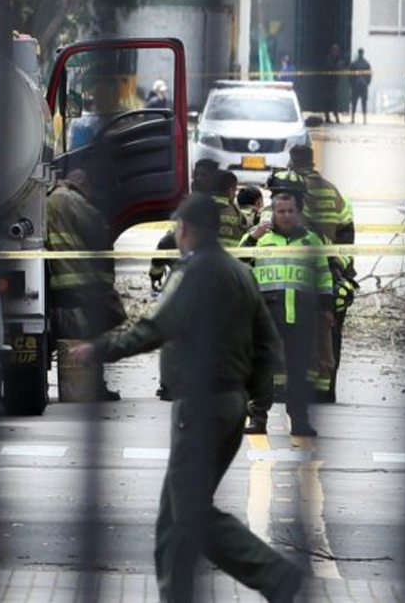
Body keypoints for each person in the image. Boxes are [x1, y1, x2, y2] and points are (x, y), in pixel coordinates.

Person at [70, 193, 304, 603]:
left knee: (190, 514)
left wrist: (98, 350)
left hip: (199, 407)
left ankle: (273, 573)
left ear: (187, 229)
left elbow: (155, 327)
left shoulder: (195, 272)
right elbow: (269, 346)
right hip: (230, 405)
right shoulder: (239, 272)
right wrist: (249, 394)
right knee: (172, 520)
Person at [266, 145, 356, 402]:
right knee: (328, 336)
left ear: (292, 162)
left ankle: (284, 388)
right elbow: (347, 232)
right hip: (330, 272)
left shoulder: (290, 192)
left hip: (294, 273)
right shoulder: (335, 193)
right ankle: (324, 390)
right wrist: (342, 269)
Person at [239, 192, 332, 436]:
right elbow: (238, 263)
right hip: (266, 315)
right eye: (281, 211)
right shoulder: (261, 239)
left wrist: (326, 308)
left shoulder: (312, 240)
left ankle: (299, 420)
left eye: (291, 211)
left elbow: (323, 275)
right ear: (273, 212)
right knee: (262, 369)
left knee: (300, 371)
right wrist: (251, 237)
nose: (287, 215)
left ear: (298, 212)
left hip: (301, 315)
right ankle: (257, 418)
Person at [47, 168, 127, 401]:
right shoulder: (70, 199)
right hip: (81, 280)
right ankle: (93, 387)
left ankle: (75, 385)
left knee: (71, 333)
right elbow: (97, 232)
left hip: (60, 281)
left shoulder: (50, 199)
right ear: (81, 182)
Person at [149, 162, 246, 293]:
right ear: (230, 190)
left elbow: (165, 243)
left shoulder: (194, 209)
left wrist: (156, 273)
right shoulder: (240, 216)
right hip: (228, 281)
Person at [348, 48, 372, 124]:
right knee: (362, 103)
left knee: (355, 103)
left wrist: (351, 84)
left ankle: (354, 119)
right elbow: (369, 75)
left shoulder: (354, 63)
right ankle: (363, 120)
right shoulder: (366, 63)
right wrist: (367, 83)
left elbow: (350, 75)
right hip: (362, 86)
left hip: (356, 86)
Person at [323, 44, 344, 124]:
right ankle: (327, 117)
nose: (335, 52)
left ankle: (336, 118)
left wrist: (339, 66)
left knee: (335, 100)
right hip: (328, 83)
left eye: (336, 50)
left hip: (335, 82)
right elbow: (330, 67)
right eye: (334, 50)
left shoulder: (338, 59)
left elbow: (340, 68)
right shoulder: (329, 58)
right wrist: (337, 67)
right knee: (328, 101)